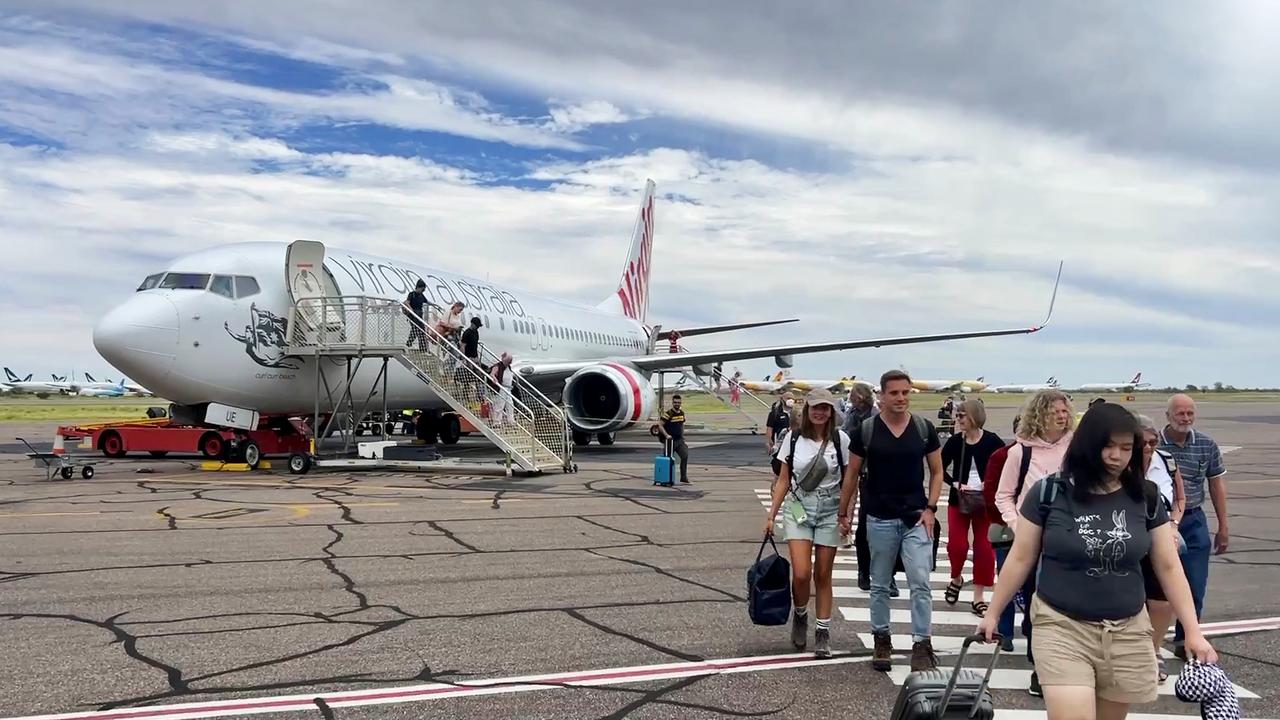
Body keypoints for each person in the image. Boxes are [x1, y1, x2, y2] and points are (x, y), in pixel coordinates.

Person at [977, 403, 1218, 719]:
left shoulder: (1145, 496)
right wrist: (993, 612)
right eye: (1108, 446)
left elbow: (1168, 566)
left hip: (1127, 631)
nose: (1117, 456)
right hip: (1062, 626)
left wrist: (1193, 631)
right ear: (1088, 444)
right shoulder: (1050, 492)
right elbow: (1021, 557)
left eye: (1126, 448)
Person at [839, 370, 943, 672]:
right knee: (880, 584)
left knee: (921, 582)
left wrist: (931, 508)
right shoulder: (867, 431)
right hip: (880, 517)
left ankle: (922, 643)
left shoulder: (924, 429)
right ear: (882, 396)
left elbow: (936, 471)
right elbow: (852, 474)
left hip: (915, 518)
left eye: (905, 392)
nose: (901, 398)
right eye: (894, 393)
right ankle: (881, 638)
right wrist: (844, 513)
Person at [994, 388, 1074, 696]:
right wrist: (1019, 525)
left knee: (1061, 605)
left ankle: (1052, 665)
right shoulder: (1020, 452)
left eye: (1065, 410)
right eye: (1055, 411)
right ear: (1040, 415)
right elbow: (1004, 495)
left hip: (1069, 536)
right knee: (1035, 605)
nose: (1062, 415)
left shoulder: (1076, 449)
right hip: (1034, 540)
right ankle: (1039, 664)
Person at [762, 389, 849, 658]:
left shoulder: (841, 439)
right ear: (808, 410)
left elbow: (850, 480)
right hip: (799, 506)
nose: (820, 412)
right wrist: (771, 515)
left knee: (823, 573)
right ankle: (800, 615)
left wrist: (846, 513)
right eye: (816, 408)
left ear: (832, 412)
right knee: (801, 573)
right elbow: (784, 479)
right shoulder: (793, 437)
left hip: (829, 509)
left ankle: (822, 631)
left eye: (826, 408)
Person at [1159, 394, 1228, 661]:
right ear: (1168, 416)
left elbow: (1216, 484)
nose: (1185, 419)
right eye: (1180, 414)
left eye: (1190, 414)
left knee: (1195, 585)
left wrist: (1223, 526)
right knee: (1156, 589)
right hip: (1160, 523)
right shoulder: (1154, 445)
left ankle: (1185, 639)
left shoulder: (1206, 444)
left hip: (1194, 520)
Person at [940, 399, 1005, 617]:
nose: (957, 420)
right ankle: (956, 577)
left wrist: (991, 484)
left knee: (985, 549)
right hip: (960, 499)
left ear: (974, 417)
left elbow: (1006, 466)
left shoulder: (992, 441)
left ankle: (978, 597)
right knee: (957, 546)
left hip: (985, 502)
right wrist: (954, 483)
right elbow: (938, 466)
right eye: (957, 416)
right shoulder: (955, 442)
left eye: (961, 416)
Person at [1136, 414, 1186, 683]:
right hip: (1131, 534)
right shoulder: (1121, 464)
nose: (1147, 447)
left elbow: (1180, 498)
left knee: (1162, 599)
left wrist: (1175, 525)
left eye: (1152, 442)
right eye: (1142, 442)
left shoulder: (1166, 461)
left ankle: (1154, 650)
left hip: (1162, 533)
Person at [840, 382, 893, 589]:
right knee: (865, 528)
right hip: (865, 476)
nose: (854, 401)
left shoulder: (875, 416)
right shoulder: (854, 414)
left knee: (890, 530)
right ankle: (864, 570)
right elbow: (846, 435)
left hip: (884, 476)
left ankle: (888, 576)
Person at [657, 395, 690, 484]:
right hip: (670, 441)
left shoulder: (681, 413)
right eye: (675, 402)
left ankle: (683, 477)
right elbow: (660, 425)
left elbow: (681, 424)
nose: (677, 404)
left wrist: (682, 436)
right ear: (672, 403)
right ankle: (666, 478)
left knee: (685, 455)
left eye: (678, 403)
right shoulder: (668, 414)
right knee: (668, 460)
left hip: (679, 440)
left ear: (681, 403)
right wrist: (666, 435)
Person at [765, 392, 796, 462]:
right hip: (779, 442)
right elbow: (770, 428)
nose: (790, 400)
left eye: (792, 399)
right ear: (782, 400)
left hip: (793, 441)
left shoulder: (796, 413)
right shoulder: (775, 413)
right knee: (778, 461)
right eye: (788, 398)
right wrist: (769, 441)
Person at [488, 352, 515, 426]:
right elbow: (492, 374)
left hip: (508, 388)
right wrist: (494, 379)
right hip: (502, 387)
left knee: (510, 405)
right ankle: (497, 422)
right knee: (499, 405)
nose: (508, 363)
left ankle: (511, 420)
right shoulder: (498, 366)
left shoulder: (508, 367)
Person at [403, 279, 429, 350]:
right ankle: (409, 343)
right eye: (422, 289)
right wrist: (411, 310)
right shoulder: (412, 294)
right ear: (418, 287)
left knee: (422, 330)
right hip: (413, 314)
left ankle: (423, 348)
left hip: (419, 314)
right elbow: (407, 302)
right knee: (416, 329)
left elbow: (426, 302)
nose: (423, 291)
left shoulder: (421, 296)